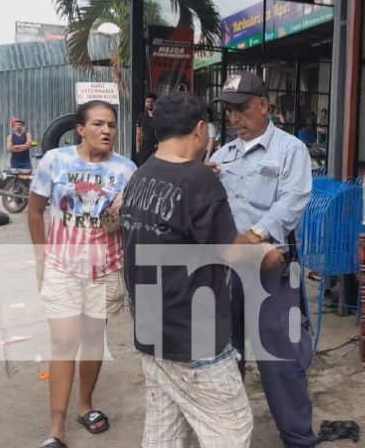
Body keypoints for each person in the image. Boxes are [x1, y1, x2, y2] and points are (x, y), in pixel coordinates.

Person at [120, 92, 271, 448]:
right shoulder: (201, 182)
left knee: (164, 432)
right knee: (231, 431)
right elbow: (232, 252)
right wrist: (264, 252)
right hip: (193, 337)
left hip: (151, 330)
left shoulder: (141, 176)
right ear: (200, 130)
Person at [209, 71, 318, 448]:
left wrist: (255, 237)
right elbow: (214, 211)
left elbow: (293, 201)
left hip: (272, 273)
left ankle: (298, 439)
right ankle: (228, 436)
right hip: (229, 273)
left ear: (263, 105)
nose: (235, 119)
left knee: (282, 362)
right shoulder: (221, 157)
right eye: (230, 112)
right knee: (226, 357)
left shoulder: (290, 150)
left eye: (242, 109)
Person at [28, 100, 136, 448]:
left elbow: (125, 224)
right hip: (62, 268)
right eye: (99, 124)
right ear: (80, 129)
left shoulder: (127, 170)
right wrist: (41, 256)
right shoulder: (55, 162)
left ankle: (85, 406)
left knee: (92, 341)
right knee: (63, 343)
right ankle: (55, 429)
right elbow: (34, 211)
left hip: (104, 271)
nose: (107, 131)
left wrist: (120, 215)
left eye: (112, 125)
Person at [136, 92, 158, 165]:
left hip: (157, 150)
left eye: (152, 102)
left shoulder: (160, 117)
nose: (150, 103)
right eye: (148, 101)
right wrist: (138, 151)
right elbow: (138, 136)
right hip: (144, 151)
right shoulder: (141, 117)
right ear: (145, 103)